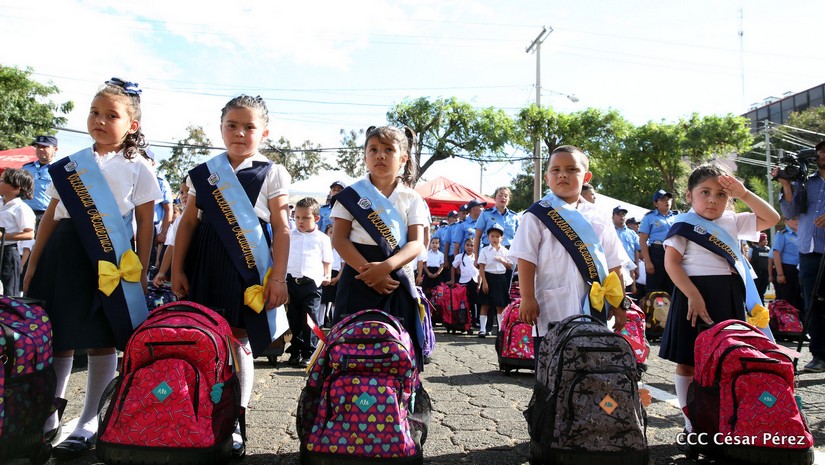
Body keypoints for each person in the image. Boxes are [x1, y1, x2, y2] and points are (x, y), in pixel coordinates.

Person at [24, 78, 162, 460]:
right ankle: (49, 415)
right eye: (94, 113)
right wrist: (35, 258)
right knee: (59, 333)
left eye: (111, 115)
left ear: (131, 125)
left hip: (109, 257)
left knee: (102, 334)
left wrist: (143, 269)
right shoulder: (70, 165)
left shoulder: (139, 168)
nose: (99, 121)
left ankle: (89, 420)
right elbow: (51, 215)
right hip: (64, 252)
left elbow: (146, 224)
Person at [172, 95, 291, 457]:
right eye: (232, 125)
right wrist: (177, 267)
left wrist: (278, 279)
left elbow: (283, 229)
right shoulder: (204, 172)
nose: (240, 133)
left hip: (247, 267)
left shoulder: (272, 172)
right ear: (221, 127)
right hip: (204, 260)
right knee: (202, 337)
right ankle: (198, 415)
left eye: (249, 127)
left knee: (240, 342)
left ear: (264, 132)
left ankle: (236, 420)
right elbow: (189, 222)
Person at [659, 164, 779, 433]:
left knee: (729, 355)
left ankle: (725, 416)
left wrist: (744, 193)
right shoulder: (683, 224)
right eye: (705, 192)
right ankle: (690, 419)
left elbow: (772, 219)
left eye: (721, 194)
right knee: (688, 360)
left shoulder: (733, 221)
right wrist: (693, 294)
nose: (713, 199)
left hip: (729, 293)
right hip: (694, 294)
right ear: (689, 196)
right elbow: (672, 263)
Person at [510, 145, 628, 358]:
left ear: (586, 177)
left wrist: (620, 304)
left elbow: (614, 263)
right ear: (546, 178)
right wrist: (527, 298)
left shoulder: (599, 216)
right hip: (553, 306)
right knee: (552, 371)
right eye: (555, 170)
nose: (563, 174)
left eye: (572, 169)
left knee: (593, 370)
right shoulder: (537, 214)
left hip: (594, 307)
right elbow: (526, 258)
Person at [330, 125, 427, 369]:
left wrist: (385, 268)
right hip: (357, 275)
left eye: (388, 150)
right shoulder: (350, 195)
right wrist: (370, 272)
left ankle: (396, 402)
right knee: (351, 344)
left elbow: (417, 243)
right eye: (373, 149)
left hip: (395, 278)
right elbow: (339, 240)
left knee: (396, 347)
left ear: (403, 158)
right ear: (364, 156)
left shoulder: (412, 198)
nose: (380, 155)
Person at [776, 140, 825, 373]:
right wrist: (786, 184)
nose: (823, 154)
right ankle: (819, 355)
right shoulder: (805, 182)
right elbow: (789, 212)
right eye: (821, 150)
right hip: (808, 252)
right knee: (812, 303)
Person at [285, 197, 332, 367]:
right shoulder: (289, 236)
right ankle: (295, 350)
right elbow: (283, 259)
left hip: (312, 283)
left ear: (316, 218)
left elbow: (327, 260)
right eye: (297, 217)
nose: (300, 221)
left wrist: (327, 275)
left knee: (310, 317)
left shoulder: (322, 238)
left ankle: (310, 352)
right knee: (294, 318)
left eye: (305, 218)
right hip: (292, 282)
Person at [0, 168, 35, 296]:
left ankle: (11, 315)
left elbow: (29, 234)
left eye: (3, 181)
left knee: (10, 291)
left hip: (9, 252)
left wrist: (3, 236)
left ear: (16, 188)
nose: (0, 182)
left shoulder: (21, 208)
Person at [476, 223, 513, 338]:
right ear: (488, 237)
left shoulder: (505, 251)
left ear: (502, 238)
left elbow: (510, 266)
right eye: (492, 236)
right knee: (485, 304)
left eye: (497, 236)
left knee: (500, 305)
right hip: (488, 276)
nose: (495, 239)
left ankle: (501, 330)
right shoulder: (485, 250)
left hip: (500, 278)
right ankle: (482, 329)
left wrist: (502, 260)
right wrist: (484, 282)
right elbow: (481, 267)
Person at [152, 177, 189, 287]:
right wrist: (162, 272)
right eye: (182, 192)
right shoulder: (179, 221)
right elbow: (171, 246)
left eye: (189, 191)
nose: (184, 195)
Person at [639, 189, 678, 294]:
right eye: (663, 199)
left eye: (668, 199)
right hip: (657, 253)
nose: (667, 201)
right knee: (655, 289)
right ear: (655, 203)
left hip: (674, 252)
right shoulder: (649, 217)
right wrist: (648, 261)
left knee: (673, 286)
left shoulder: (677, 217)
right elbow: (642, 240)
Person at [22, 135, 58, 224]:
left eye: (45, 147)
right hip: (24, 214)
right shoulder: (26, 168)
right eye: (38, 147)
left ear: (55, 149)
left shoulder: (59, 169)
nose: (40, 149)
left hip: (46, 215)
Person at [771, 217, 802, 310]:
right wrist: (780, 274)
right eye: (793, 219)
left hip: (801, 269)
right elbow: (776, 253)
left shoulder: (802, 234)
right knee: (787, 300)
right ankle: (786, 323)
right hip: (787, 270)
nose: (796, 221)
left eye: (797, 219)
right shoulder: (782, 234)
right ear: (786, 221)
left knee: (799, 300)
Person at [451, 237, 479, 325]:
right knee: (464, 301)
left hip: (474, 281)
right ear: (464, 246)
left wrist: (479, 284)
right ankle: (464, 320)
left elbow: (481, 270)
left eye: (472, 245)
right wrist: (452, 280)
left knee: (474, 301)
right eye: (467, 245)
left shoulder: (477, 257)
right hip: (463, 281)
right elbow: (453, 267)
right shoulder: (460, 257)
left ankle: (475, 320)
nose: (469, 247)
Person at [613, 205, 640, 294]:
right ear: (613, 216)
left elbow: (636, 250)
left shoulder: (631, 233)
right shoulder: (609, 231)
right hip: (614, 266)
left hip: (630, 268)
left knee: (630, 294)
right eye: (619, 214)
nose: (622, 217)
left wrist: (637, 267)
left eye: (623, 214)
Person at [321, 223, 342, 326]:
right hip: (324, 274)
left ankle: (334, 321)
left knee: (334, 300)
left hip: (336, 275)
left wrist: (337, 278)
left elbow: (343, 265)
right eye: (330, 232)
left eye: (334, 233)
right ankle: (321, 321)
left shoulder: (340, 248)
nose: (332, 235)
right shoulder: (323, 247)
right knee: (323, 299)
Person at [747, 232, 771, 303]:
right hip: (756, 274)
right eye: (764, 239)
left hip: (765, 274)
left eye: (766, 239)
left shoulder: (768, 249)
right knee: (756, 290)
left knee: (763, 291)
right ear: (759, 240)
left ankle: (761, 304)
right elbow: (749, 260)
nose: (766, 241)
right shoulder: (753, 249)